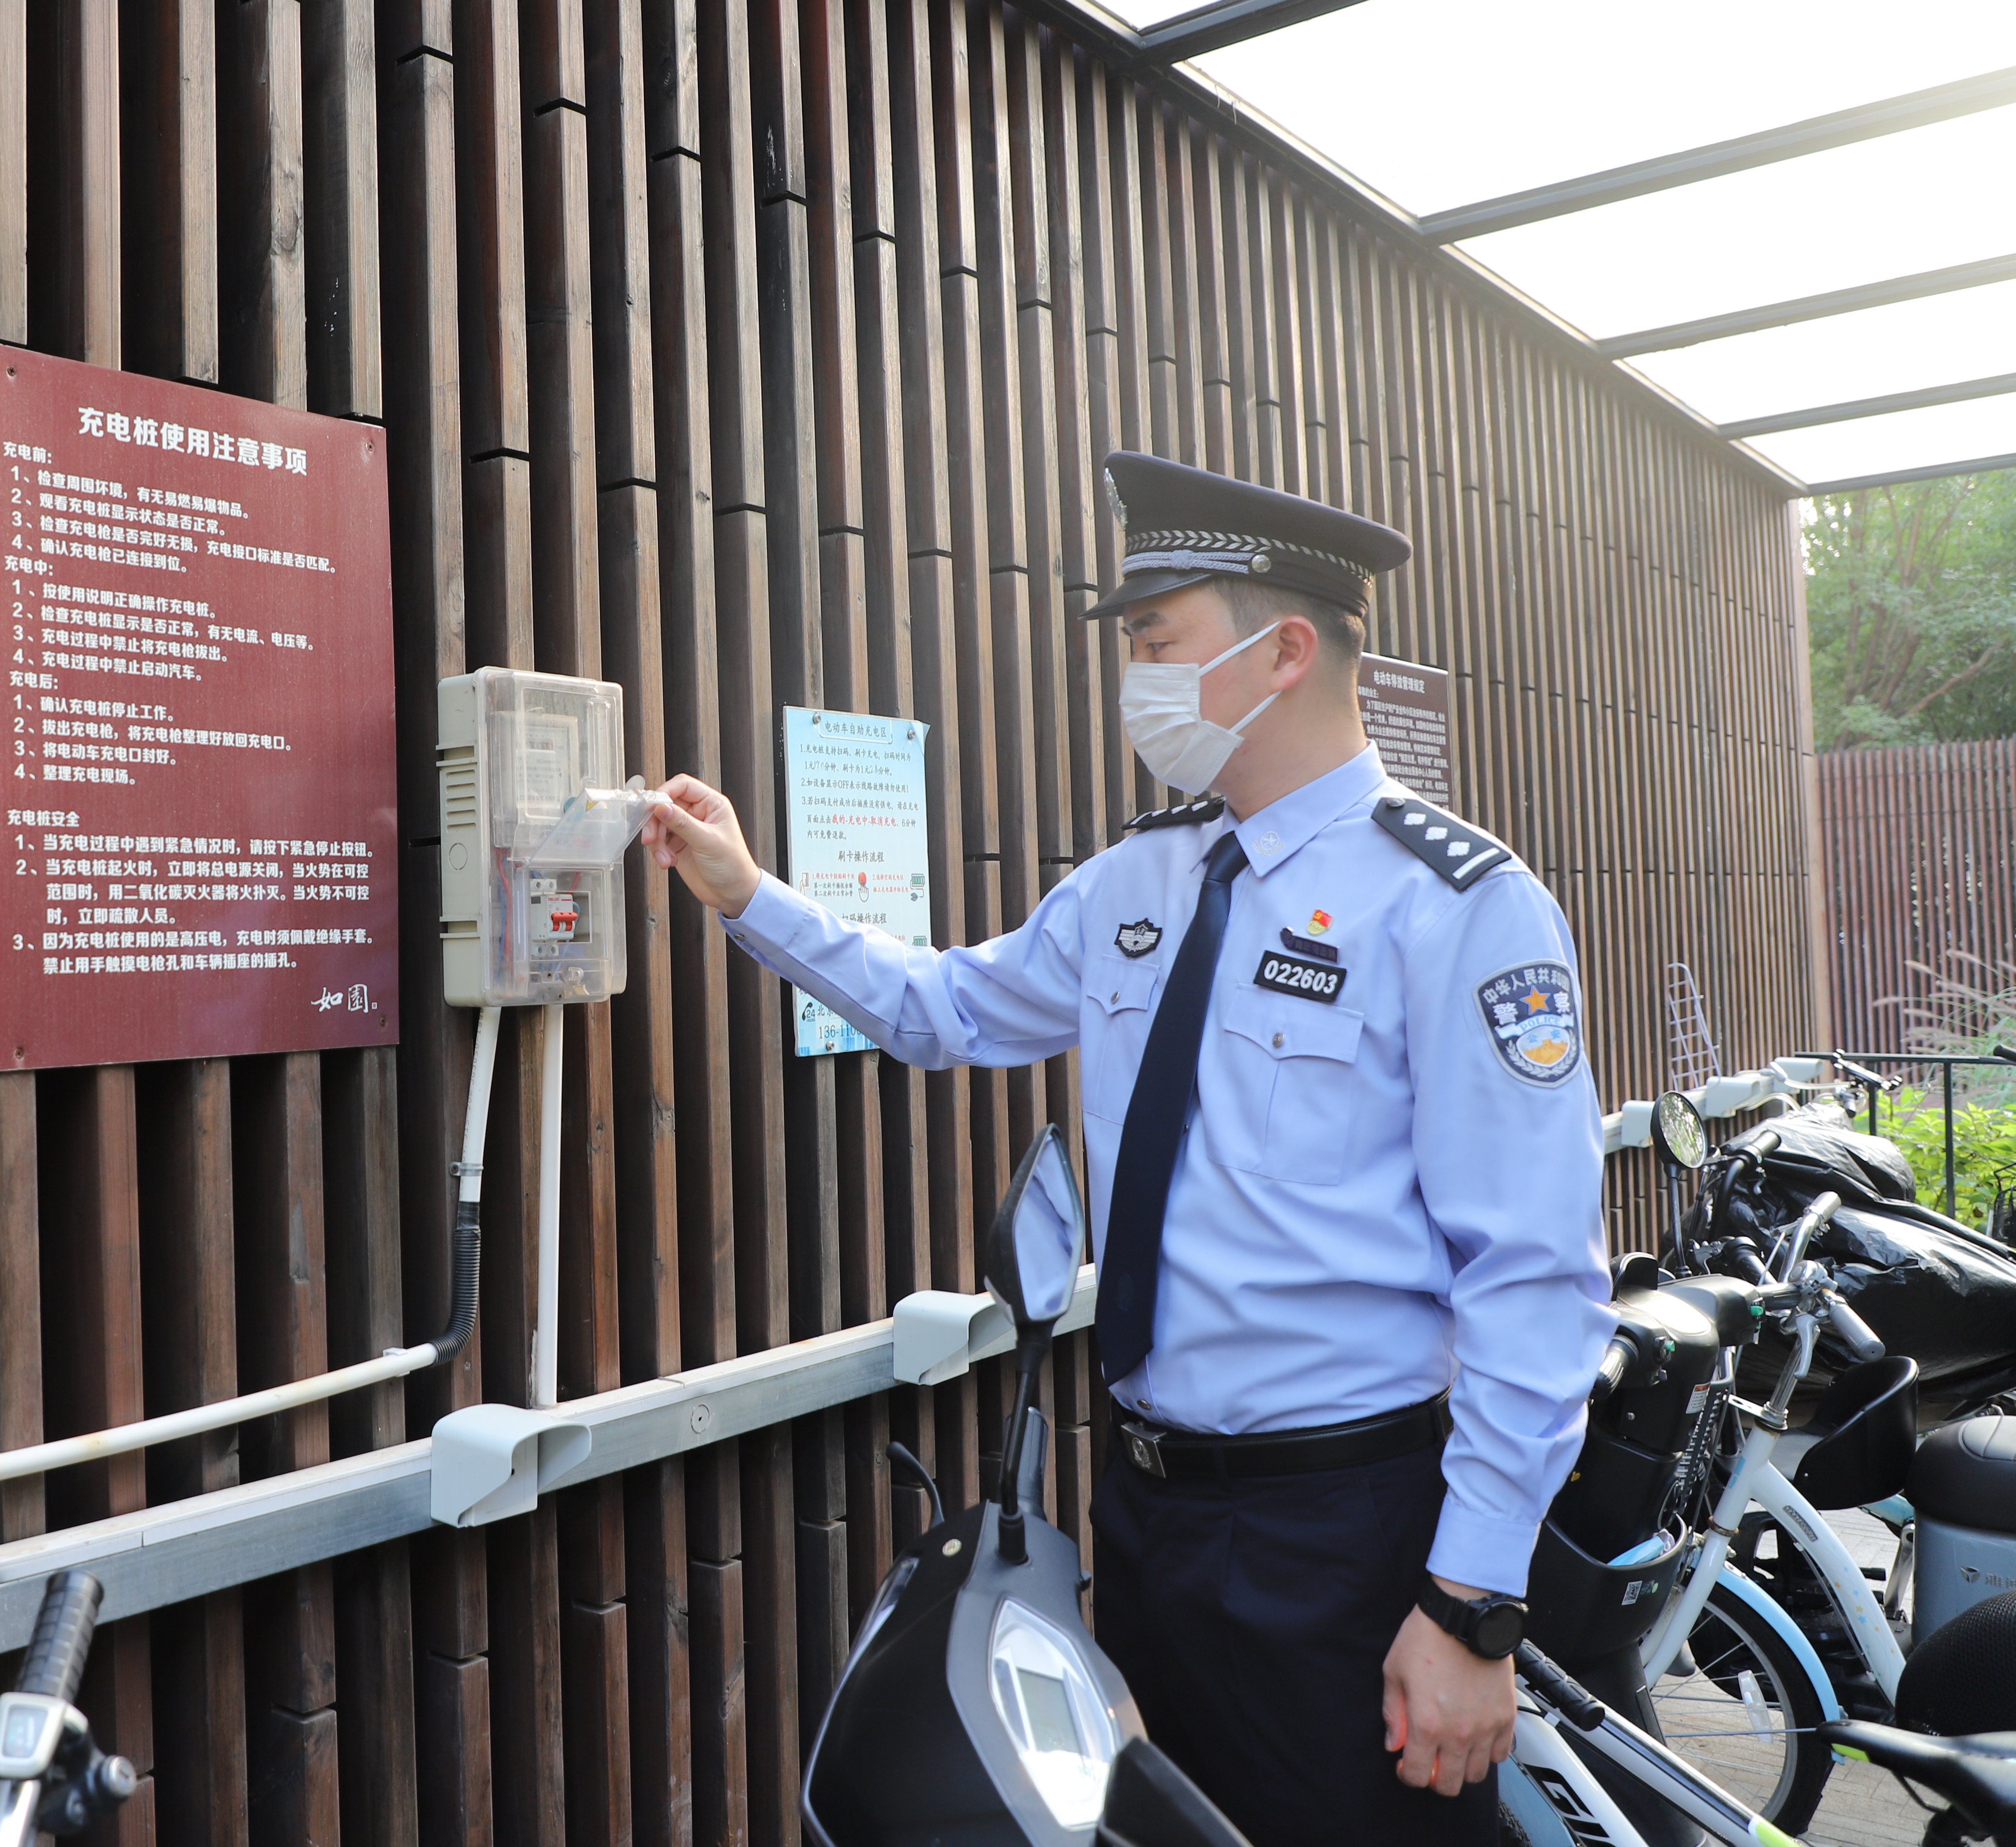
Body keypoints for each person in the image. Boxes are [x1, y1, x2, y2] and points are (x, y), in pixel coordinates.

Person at [637, 452, 1612, 1846]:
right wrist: (747, 895)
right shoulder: (1139, 880)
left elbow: (1530, 1283)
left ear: (1282, 653)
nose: (1136, 680)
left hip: (1352, 1528)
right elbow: (946, 1008)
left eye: (1160, 643)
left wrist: (1470, 1609)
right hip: (1149, 1513)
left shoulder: (1456, 907)